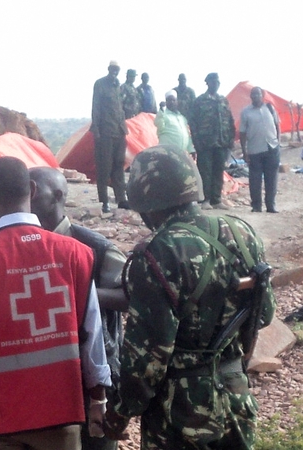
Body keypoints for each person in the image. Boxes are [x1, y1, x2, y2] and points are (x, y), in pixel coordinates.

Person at [102, 145, 276, 450]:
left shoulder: (159, 252)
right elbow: (264, 314)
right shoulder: (241, 232)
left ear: (147, 203)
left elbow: (148, 356)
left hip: (180, 412)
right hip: (236, 397)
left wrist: (120, 412)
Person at [0, 156, 111, 450]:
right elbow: (93, 335)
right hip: (61, 414)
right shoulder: (77, 253)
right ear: (32, 190)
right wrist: (98, 400)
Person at [29, 166, 127, 450]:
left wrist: (82, 294)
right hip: (45, 377)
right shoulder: (21, 246)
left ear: (58, 195)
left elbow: (129, 295)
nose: (28, 197)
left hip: (94, 376)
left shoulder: (96, 247)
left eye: (34, 191)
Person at [189, 72, 236, 210]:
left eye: (218, 82)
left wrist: (230, 140)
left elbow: (230, 120)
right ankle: (205, 200)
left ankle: (216, 200)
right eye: (213, 81)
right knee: (205, 172)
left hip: (221, 142)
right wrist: (197, 141)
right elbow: (193, 122)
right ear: (208, 83)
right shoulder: (200, 101)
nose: (216, 84)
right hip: (205, 143)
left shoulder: (223, 100)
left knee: (218, 171)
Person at [91, 61, 129, 213]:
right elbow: (96, 107)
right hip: (105, 131)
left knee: (119, 166)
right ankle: (104, 201)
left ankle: (121, 199)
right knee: (104, 168)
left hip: (119, 131)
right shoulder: (100, 84)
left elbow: (120, 109)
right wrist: (96, 130)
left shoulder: (118, 85)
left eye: (117, 70)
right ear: (108, 69)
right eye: (113, 69)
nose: (115, 72)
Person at [239, 86, 281, 213]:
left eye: (257, 94)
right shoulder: (246, 112)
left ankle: (271, 206)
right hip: (254, 150)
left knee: (271, 178)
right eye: (253, 94)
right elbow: (242, 133)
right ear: (250, 96)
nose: (255, 96)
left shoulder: (270, 108)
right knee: (255, 180)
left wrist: (278, 142)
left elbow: (277, 125)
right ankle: (256, 206)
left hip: (272, 148)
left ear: (262, 95)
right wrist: (244, 151)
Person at [155, 90, 195, 157]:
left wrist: (191, 149)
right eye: (169, 100)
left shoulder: (182, 118)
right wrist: (161, 110)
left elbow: (187, 135)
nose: (171, 102)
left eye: (173, 100)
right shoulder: (163, 115)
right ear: (166, 102)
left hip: (181, 154)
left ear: (177, 102)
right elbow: (159, 125)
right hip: (167, 154)